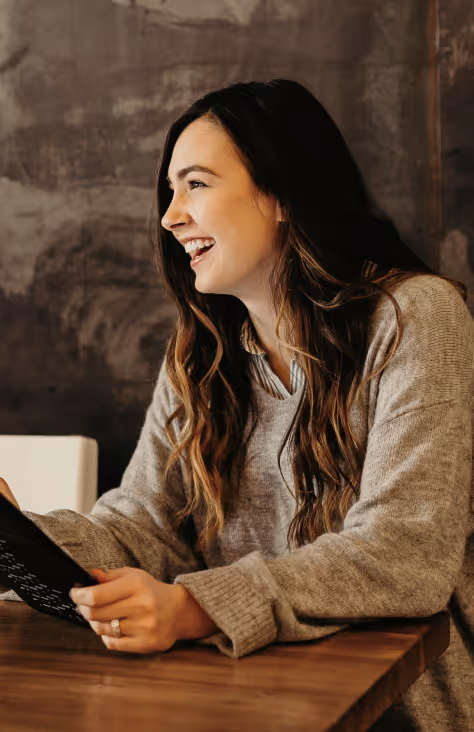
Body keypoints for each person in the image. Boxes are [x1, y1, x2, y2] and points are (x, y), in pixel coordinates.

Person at [0, 79, 473, 732]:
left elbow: (404, 554)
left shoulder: (414, 318)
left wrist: (194, 608)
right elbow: (143, 529)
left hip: (397, 713)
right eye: (170, 191)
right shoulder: (200, 354)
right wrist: (18, 539)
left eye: (195, 184)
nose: (170, 216)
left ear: (282, 194)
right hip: (246, 703)